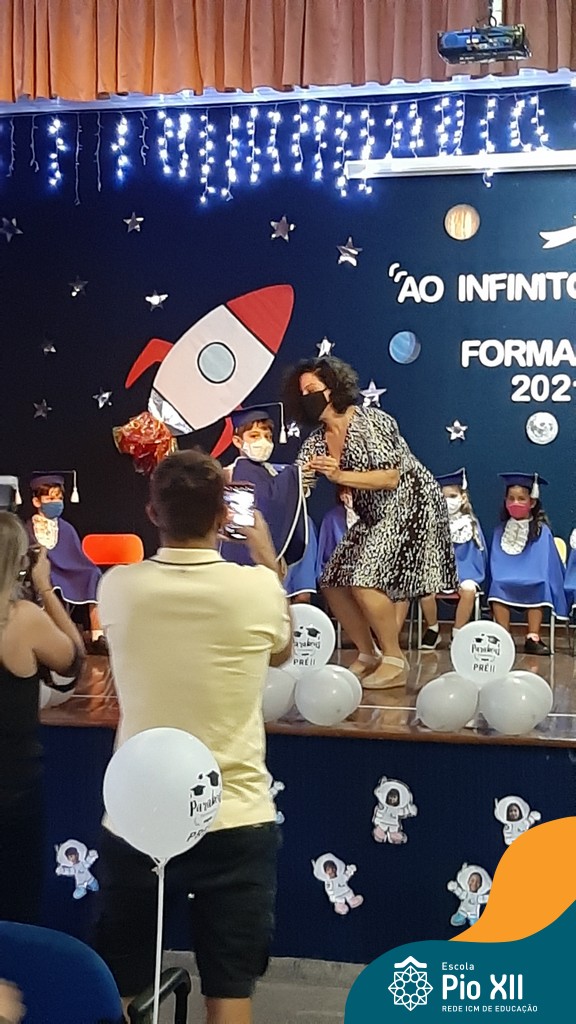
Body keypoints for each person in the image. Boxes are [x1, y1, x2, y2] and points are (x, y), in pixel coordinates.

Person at [91, 449, 292, 1024]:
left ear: (153, 513)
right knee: (230, 993)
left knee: (125, 990)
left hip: (138, 815)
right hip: (235, 814)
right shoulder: (258, 589)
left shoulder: (118, 586)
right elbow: (281, 650)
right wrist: (267, 559)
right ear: (223, 517)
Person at [283, 357, 457, 688]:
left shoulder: (371, 421)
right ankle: (368, 653)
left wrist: (339, 475)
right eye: (301, 393)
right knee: (332, 580)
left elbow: (390, 477)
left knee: (364, 579)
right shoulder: (317, 441)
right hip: (374, 514)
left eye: (312, 389)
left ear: (333, 388)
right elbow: (295, 482)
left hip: (411, 504)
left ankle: (394, 659)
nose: (306, 397)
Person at [0, 512, 85, 924]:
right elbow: (73, 660)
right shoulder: (21, 619)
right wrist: (46, 587)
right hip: (13, 790)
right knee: (16, 907)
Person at [488, 473, 568, 654]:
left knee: (538, 584)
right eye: (511, 498)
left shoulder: (542, 531)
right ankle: (504, 636)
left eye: (521, 499)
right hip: (505, 576)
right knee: (498, 584)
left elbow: (544, 561)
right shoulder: (500, 531)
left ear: (532, 502)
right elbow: (496, 561)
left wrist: (535, 574)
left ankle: (533, 637)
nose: (515, 503)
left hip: (533, 576)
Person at [26, 472, 105, 653]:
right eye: (50, 498)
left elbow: (76, 556)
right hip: (43, 570)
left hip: (69, 570)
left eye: (59, 498)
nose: (56, 503)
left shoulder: (66, 528)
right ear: (37, 502)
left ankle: (97, 635)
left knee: (93, 575)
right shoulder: (28, 529)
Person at [419, 468, 488, 649]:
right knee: (425, 589)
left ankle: (458, 632)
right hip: (438, 572)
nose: (447, 501)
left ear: (462, 498)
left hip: (465, 573)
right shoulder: (432, 524)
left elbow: (477, 555)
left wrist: (467, 574)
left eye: (452, 496)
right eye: (443, 497)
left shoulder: (470, 525)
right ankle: (433, 629)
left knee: (468, 589)